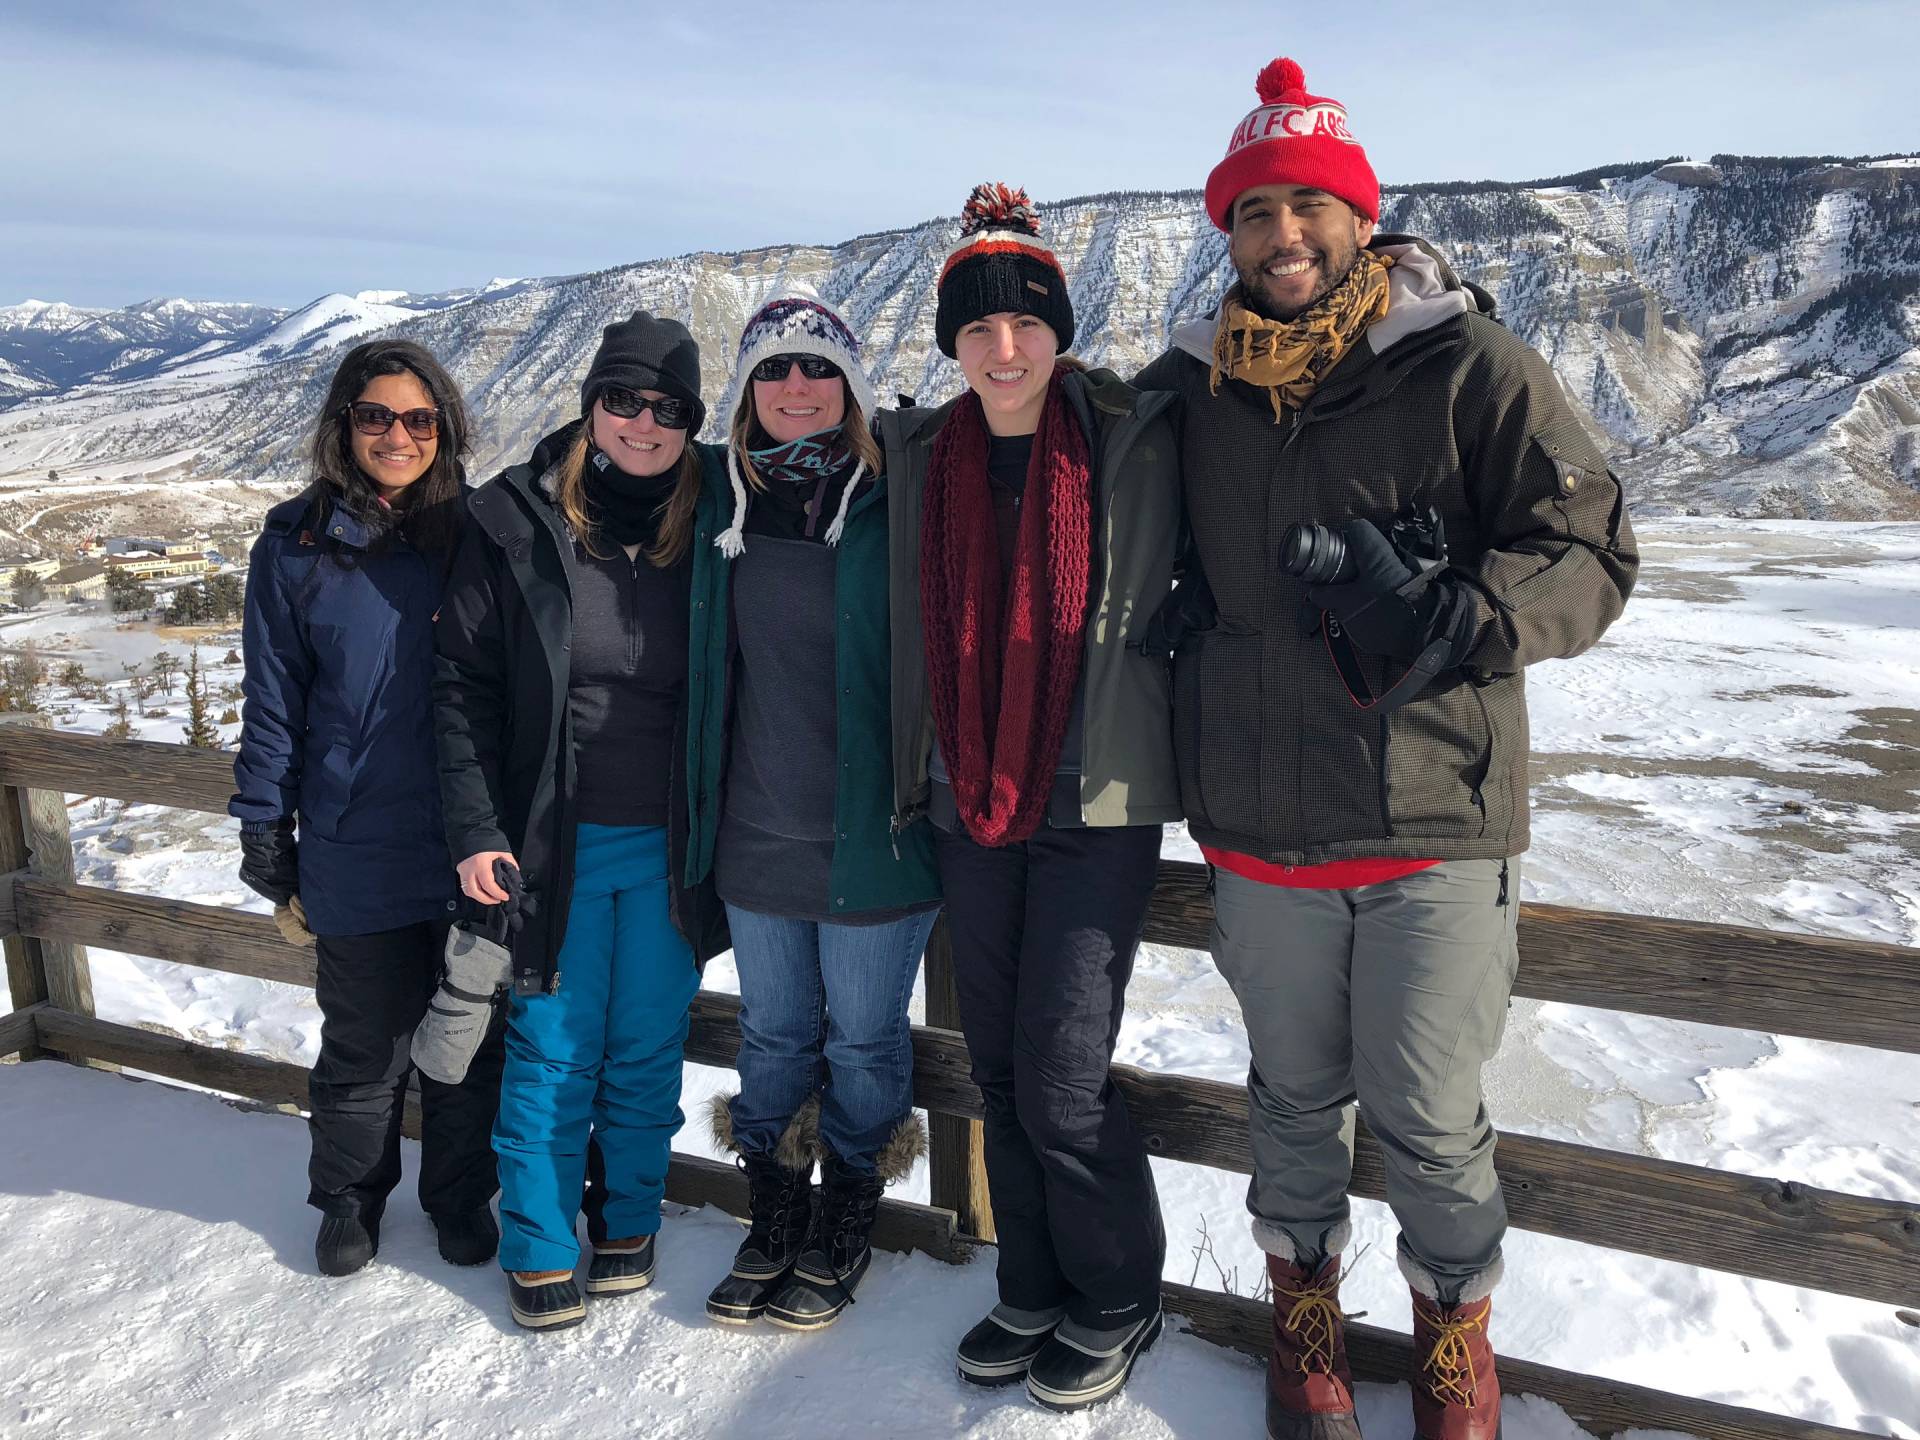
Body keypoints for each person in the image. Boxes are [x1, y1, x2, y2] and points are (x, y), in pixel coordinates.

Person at [1134, 57, 1640, 1440]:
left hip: (1430, 813)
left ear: (1359, 218)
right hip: (1260, 817)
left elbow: (1592, 541)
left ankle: (1451, 1340)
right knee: (1294, 1101)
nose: (1283, 238)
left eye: (1308, 209)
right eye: (1253, 216)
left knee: (1425, 1112)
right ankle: (1305, 1328)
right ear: (1225, 236)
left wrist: (1466, 616)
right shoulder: (1191, 393)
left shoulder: (1469, 365)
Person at [879, 185, 1182, 1412]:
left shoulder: (1132, 434)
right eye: (977, 332)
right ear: (951, 345)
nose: (1004, 353)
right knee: (1000, 1070)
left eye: (1026, 326)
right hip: (965, 803)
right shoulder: (918, 459)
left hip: (1090, 802)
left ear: (1060, 330)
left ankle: (1121, 1291)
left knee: (1063, 1077)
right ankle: (1038, 1278)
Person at [434, 311, 728, 1331]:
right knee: (553, 1046)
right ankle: (540, 1238)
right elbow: (459, 683)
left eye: (670, 407)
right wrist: (478, 826)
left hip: (676, 846)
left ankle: (630, 1222)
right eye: (625, 399)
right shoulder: (515, 520)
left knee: (647, 1045)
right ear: (591, 402)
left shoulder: (721, 517)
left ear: (694, 421)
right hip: (550, 843)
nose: (644, 422)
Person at [689, 293, 942, 1332]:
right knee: (774, 1034)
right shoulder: (711, 497)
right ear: (746, 392)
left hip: (876, 836)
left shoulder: (904, 490)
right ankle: (774, 1214)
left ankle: (848, 1216)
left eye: (819, 370)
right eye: (776, 371)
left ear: (850, 387)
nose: (798, 389)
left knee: (867, 1043)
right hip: (757, 830)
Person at [232, 338, 503, 1278]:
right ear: (344, 425)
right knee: (365, 1044)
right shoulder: (295, 546)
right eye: (377, 416)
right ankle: (349, 1197)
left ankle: (461, 1195)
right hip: (354, 839)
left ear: (447, 432)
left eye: (419, 419)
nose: (398, 435)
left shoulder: (477, 535)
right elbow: (272, 701)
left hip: (468, 840)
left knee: (467, 1038)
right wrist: (265, 829)